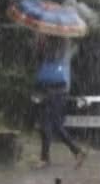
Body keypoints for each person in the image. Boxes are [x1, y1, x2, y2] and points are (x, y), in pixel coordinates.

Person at [34, 34, 86, 168]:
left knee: (51, 124)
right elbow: (41, 60)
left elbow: (52, 61)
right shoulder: (54, 43)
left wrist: (42, 44)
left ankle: (73, 152)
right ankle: (72, 152)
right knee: (49, 124)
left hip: (57, 89)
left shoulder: (60, 43)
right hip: (49, 88)